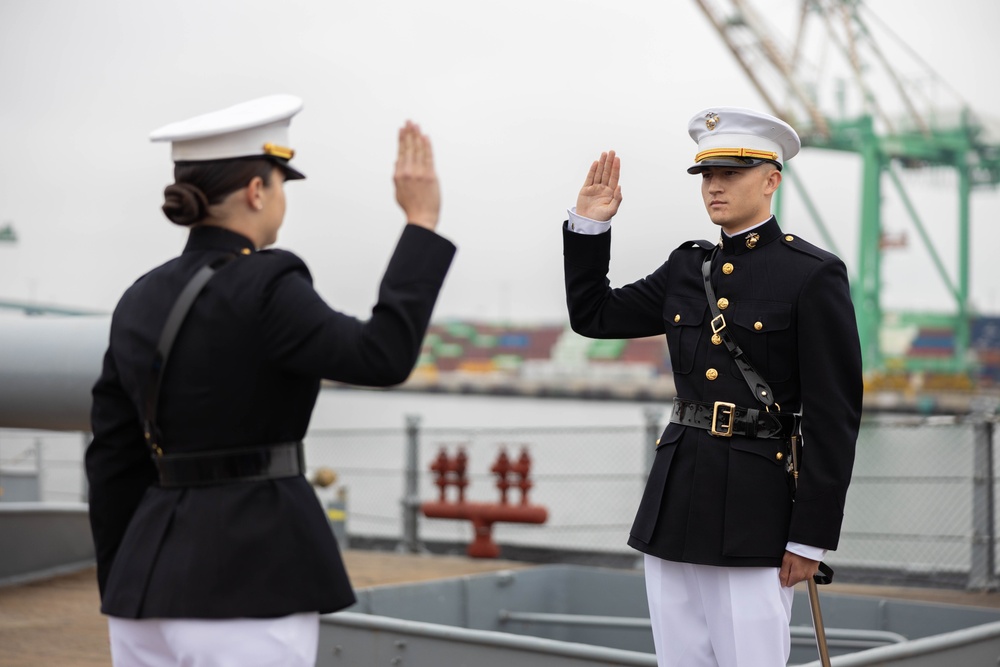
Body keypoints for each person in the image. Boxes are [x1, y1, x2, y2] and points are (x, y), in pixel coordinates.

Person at [85, 94, 456, 666]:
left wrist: (124, 581)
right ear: (258, 191)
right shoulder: (268, 282)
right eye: (281, 182)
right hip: (249, 582)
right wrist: (421, 223)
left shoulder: (139, 297)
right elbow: (382, 355)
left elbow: (112, 457)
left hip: (142, 588)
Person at [562, 107, 862, 666]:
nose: (715, 186)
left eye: (731, 173)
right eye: (707, 175)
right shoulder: (687, 267)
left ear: (771, 179)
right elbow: (594, 316)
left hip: (758, 508)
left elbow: (834, 415)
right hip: (675, 499)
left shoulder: (811, 274)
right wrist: (590, 227)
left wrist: (809, 538)